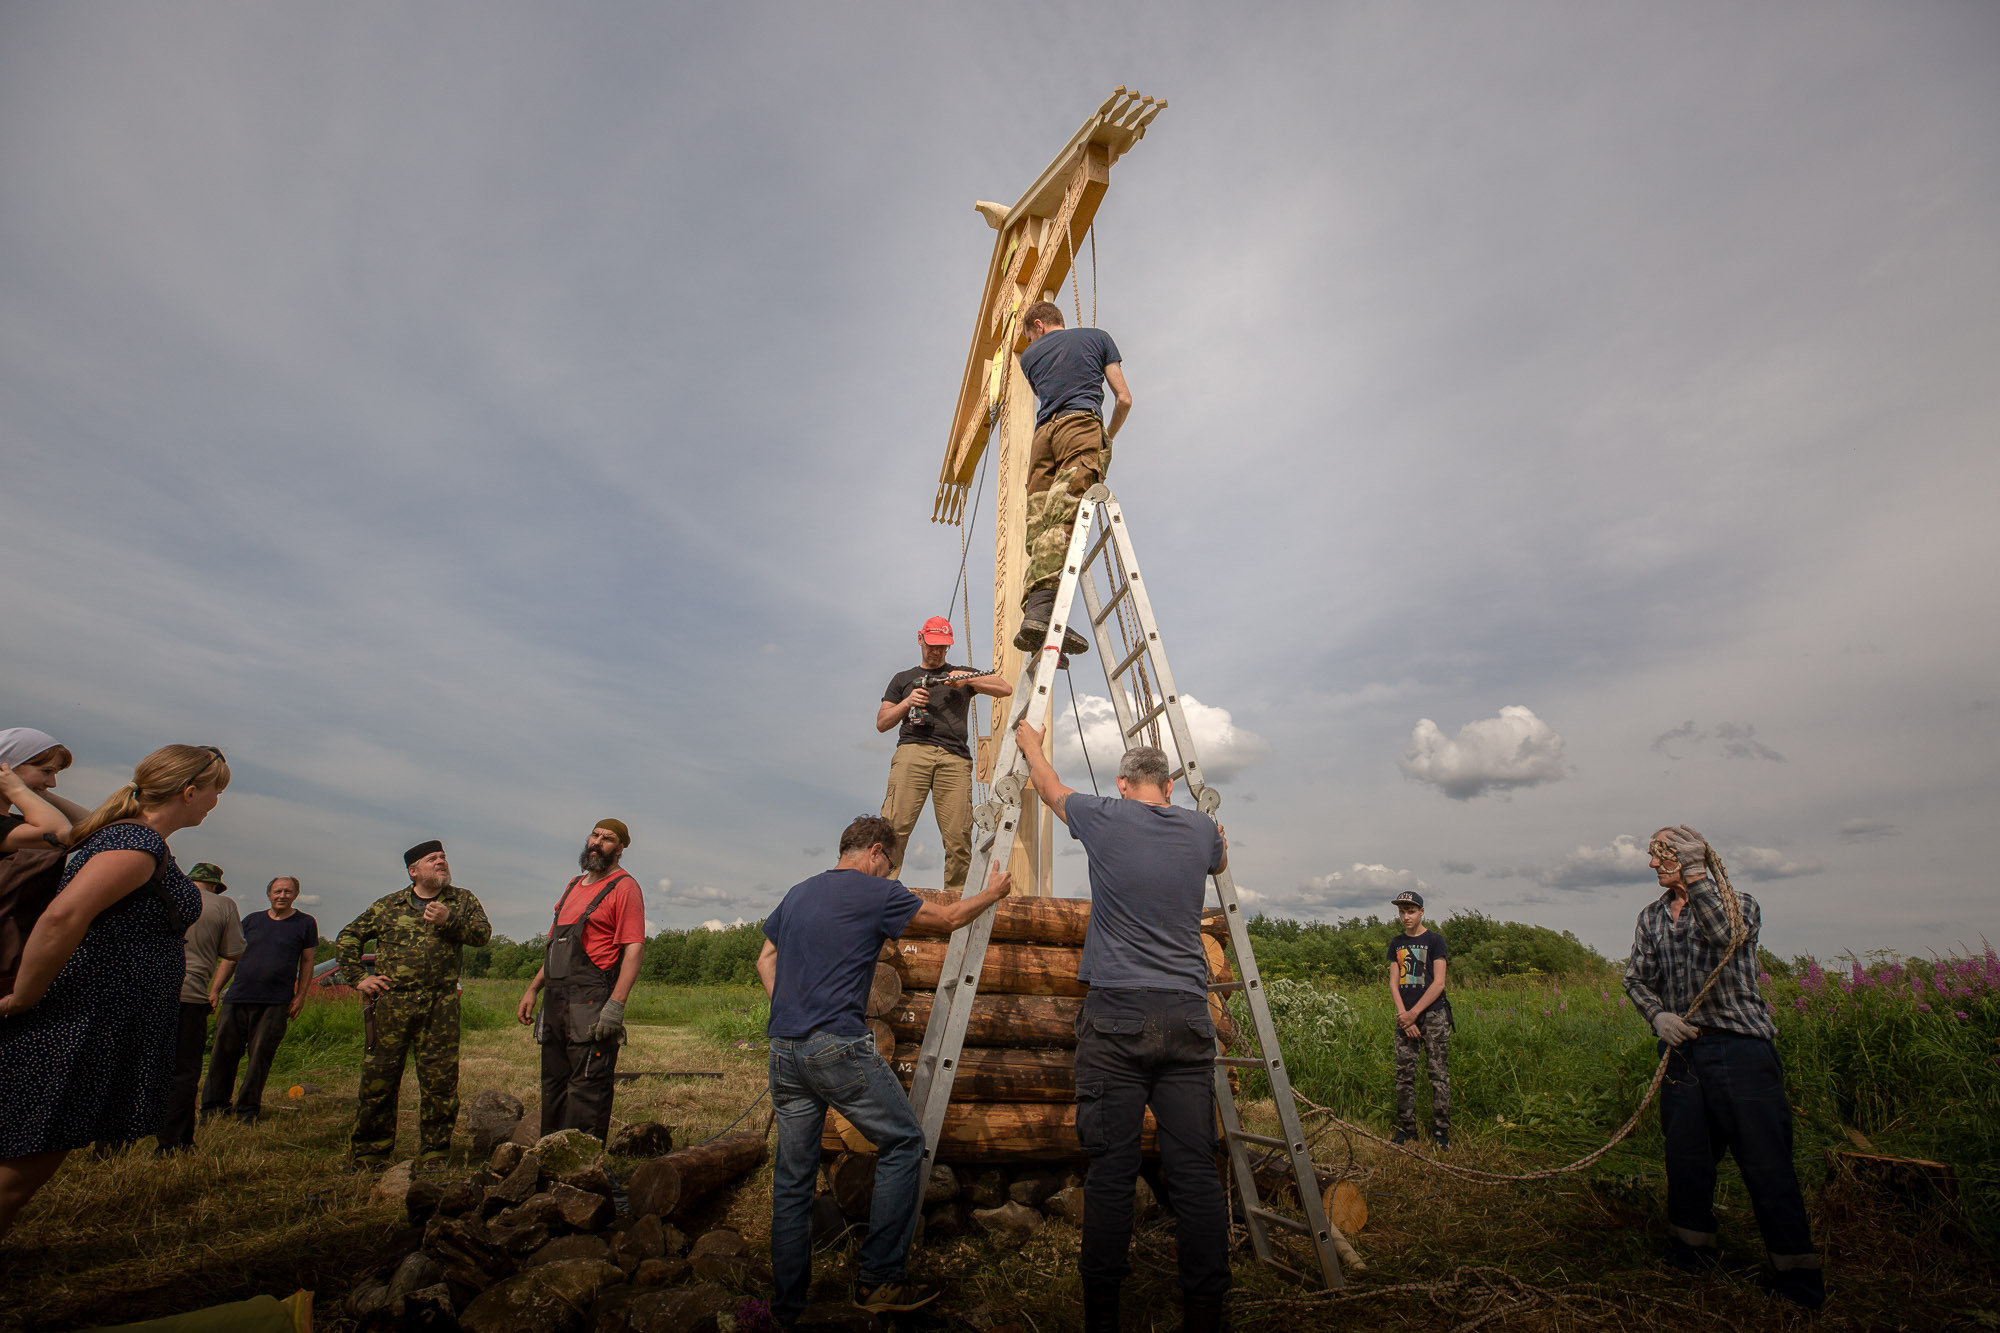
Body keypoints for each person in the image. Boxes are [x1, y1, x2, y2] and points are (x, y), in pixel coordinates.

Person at [1013, 720, 1230, 1333]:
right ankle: (1205, 1313)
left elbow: (1051, 787)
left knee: (1110, 1172)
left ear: (1123, 783)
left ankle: (1102, 1316)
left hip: (1117, 1015)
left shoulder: (1106, 815)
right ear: (1166, 785)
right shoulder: (1198, 829)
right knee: (1193, 1172)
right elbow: (1221, 854)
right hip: (1187, 1013)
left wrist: (1030, 742)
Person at [758, 815, 1013, 1324]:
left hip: (784, 1048)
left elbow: (766, 959)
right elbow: (946, 919)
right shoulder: (876, 893)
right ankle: (879, 1281)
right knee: (903, 1143)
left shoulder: (798, 894)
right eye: (889, 864)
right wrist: (994, 892)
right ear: (875, 852)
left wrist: (792, 1013)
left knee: (792, 1178)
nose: (889, 872)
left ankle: (787, 1307)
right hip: (836, 1047)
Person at [0, 744, 227, 1240]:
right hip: (76, 1021)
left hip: (97, 1019)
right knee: (20, 1170)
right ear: (190, 793)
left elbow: (94, 825)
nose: (216, 803)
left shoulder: (136, 837)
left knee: (29, 1156)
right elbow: (64, 917)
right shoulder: (135, 845)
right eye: (215, 792)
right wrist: (22, 998)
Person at [1624, 825, 1823, 1310]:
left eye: (1663, 855)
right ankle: (1691, 1251)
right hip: (1682, 1053)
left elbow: (1726, 937)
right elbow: (1636, 978)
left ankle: (1797, 1279)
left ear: (1692, 857)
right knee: (1686, 1159)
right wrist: (1658, 1016)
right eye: (1654, 856)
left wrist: (1695, 874)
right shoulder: (1650, 917)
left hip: (1741, 1052)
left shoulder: (1740, 904)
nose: (1653, 864)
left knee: (1766, 1162)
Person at [337, 840, 492, 1165]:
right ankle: (370, 1153)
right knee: (379, 1079)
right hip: (392, 1003)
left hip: (441, 1005)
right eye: (433, 858)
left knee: (440, 1081)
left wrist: (449, 920)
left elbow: (483, 935)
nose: (441, 862)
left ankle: (435, 1152)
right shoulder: (390, 905)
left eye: (444, 857)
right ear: (413, 871)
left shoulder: (461, 900)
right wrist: (358, 978)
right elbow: (349, 936)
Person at [1011, 301, 1132, 655]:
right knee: (1065, 516)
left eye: (1030, 336)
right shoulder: (1098, 338)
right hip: (1079, 426)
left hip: (1042, 440)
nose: (1031, 341)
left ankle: (1037, 617)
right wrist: (1106, 435)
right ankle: (1044, 609)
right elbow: (1123, 398)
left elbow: (1046, 396)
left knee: (1039, 524)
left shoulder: (1028, 360)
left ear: (1039, 325)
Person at [516, 819, 646, 1142]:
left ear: (620, 848)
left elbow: (634, 949)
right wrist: (533, 988)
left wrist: (616, 1004)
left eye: (608, 838)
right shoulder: (573, 886)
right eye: (595, 834)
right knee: (554, 1084)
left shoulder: (624, 887)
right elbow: (555, 948)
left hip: (592, 1001)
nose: (597, 841)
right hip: (556, 1001)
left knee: (588, 1087)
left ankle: (582, 1175)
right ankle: (548, 1163)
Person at [877, 616, 1012, 893]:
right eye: (932, 645)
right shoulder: (902, 679)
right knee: (894, 828)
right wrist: (907, 702)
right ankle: (879, 896)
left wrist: (965, 681)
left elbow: (1004, 688)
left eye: (942, 647)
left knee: (958, 837)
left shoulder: (960, 674)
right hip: (912, 753)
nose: (936, 651)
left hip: (954, 759)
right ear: (920, 639)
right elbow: (882, 723)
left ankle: (957, 901)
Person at [203, 875, 318, 1123]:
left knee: (259, 1058)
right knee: (222, 1054)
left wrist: (300, 996)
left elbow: (307, 962)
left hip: (275, 1001)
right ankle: (214, 1107)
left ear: (295, 895)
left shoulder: (305, 923)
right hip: (238, 997)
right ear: (269, 894)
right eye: (277, 891)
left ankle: (247, 1110)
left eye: (288, 891)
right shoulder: (251, 921)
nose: (282, 896)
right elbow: (230, 958)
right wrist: (215, 990)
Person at [155, 862, 245, 1153]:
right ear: (216, 886)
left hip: (146, 991)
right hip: (190, 994)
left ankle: (110, 1145)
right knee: (183, 1072)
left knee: (132, 1063)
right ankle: (173, 1144)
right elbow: (233, 951)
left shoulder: (160, 893)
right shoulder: (223, 905)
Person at [1386, 890, 1451, 1149]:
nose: (1406, 916)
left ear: (1422, 911)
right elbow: (1393, 983)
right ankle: (1407, 1128)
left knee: (1438, 1074)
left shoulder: (1435, 940)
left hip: (1433, 1015)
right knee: (1404, 1074)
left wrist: (1415, 1014)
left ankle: (1441, 1132)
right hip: (1405, 1018)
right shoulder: (1396, 943)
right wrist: (1405, 1017)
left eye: (1410, 911)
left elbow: (1439, 983)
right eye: (1402, 912)